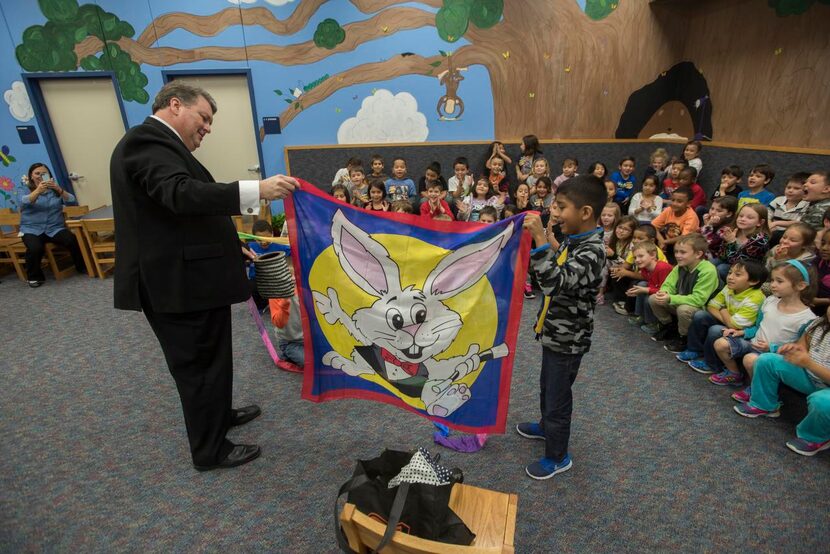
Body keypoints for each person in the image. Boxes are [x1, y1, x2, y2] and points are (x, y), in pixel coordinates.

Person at [109, 81, 297, 471]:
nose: (208, 128)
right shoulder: (146, 142)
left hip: (192, 278)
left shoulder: (161, 146)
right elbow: (182, 194)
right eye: (204, 118)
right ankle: (210, 450)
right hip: (176, 285)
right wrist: (257, 189)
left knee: (212, 356)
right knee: (197, 365)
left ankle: (218, 415)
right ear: (175, 105)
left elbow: (181, 215)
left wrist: (233, 246)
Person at [516, 174, 607, 479]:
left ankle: (558, 456)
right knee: (547, 387)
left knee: (558, 398)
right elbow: (564, 268)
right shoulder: (577, 239)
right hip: (556, 334)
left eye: (562, 206)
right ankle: (545, 427)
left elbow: (554, 282)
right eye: (554, 205)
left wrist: (541, 240)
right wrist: (553, 244)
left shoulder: (593, 251)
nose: (554, 212)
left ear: (586, 213)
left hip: (569, 340)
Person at [734, 305, 830, 457]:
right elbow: (802, 343)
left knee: (823, 402)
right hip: (809, 375)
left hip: (824, 386)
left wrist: (809, 363)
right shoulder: (819, 324)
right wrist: (795, 348)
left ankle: (816, 438)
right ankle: (764, 404)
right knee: (767, 360)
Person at [716, 261, 817, 402]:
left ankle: (755, 389)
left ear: (800, 285)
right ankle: (735, 374)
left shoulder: (807, 318)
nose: (773, 285)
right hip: (753, 343)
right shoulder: (770, 301)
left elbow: (798, 348)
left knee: (750, 359)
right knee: (721, 344)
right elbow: (758, 326)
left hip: (774, 355)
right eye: (772, 280)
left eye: (779, 281)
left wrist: (772, 348)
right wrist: (743, 333)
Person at [675, 261, 767, 375]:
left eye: (737, 275)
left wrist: (723, 309)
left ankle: (712, 364)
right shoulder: (730, 288)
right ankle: (694, 349)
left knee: (716, 329)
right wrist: (725, 317)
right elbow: (711, 306)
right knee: (701, 315)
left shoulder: (755, 298)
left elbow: (735, 325)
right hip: (730, 322)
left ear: (753, 281)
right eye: (730, 273)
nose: (730, 277)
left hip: (744, 332)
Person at [18, 162, 85, 287]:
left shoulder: (55, 189)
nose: (40, 176)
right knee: (35, 248)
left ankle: (82, 267)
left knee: (71, 239)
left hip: (54, 228)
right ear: (31, 176)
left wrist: (58, 189)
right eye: (37, 173)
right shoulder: (24, 189)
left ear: (48, 175)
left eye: (44, 173)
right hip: (31, 229)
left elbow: (71, 200)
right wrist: (38, 190)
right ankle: (34, 277)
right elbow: (23, 203)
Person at [647, 234, 719, 346]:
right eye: (676, 252)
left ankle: (684, 337)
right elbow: (668, 284)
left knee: (683, 309)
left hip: (703, 308)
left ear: (698, 254)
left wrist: (670, 298)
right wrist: (664, 293)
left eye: (683, 252)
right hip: (683, 300)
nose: (677, 255)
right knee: (654, 298)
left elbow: (699, 300)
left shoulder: (708, 271)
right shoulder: (680, 266)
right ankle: (670, 326)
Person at [625, 241, 673, 331]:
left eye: (641, 256)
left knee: (648, 297)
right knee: (641, 284)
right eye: (635, 257)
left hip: (668, 294)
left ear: (653, 255)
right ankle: (641, 316)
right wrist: (638, 291)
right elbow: (651, 284)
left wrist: (645, 290)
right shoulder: (645, 268)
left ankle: (653, 322)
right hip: (657, 289)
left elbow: (664, 290)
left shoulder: (662, 268)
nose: (637, 260)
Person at [718, 203, 770, 281]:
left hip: (749, 271)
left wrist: (731, 242)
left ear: (760, 222)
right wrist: (725, 242)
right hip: (732, 263)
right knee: (712, 262)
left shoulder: (760, 239)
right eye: (741, 216)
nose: (743, 219)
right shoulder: (734, 231)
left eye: (749, 218)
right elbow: (721, 256)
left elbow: (737, 263)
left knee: (721, 269)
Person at [269, 255, 304, 369]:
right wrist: (284, 304)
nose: (293, 278)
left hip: (309, 338)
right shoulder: (276, 293)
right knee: (311, 364)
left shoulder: (306, 289)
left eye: (296, 275)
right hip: (290, 341)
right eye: (289, 275)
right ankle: (288, 353)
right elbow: (279, 323)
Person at [247, 220, 287, 312]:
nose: (263, 242)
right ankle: (261, 306)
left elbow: (293, 249)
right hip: (257, 279)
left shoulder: (279, 246)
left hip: (275, 278)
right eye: (259, 239)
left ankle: (276, 304)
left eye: (266, 238)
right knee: (251, 287)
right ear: (253, 237)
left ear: (272, 234)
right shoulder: (250, 247)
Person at [651, 187, 700, 254]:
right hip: (666, 241)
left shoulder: (691, 216)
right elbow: (653, 226)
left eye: (679, 201)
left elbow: (684, 237)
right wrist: (661, 240)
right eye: (673, 200)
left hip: (683, 244)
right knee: (647, 232)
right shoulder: (669, 209)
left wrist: (664, 242)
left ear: (689, 203)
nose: (674, 203)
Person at [767, 172, 810, 244]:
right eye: (788, 187)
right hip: (772, 230)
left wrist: (777, 223)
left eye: (796, 188)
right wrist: (770, 225)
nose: (790, 190)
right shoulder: (778, 200)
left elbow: (799, 223)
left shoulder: (806, 205)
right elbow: (767, 214)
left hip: (790, 234)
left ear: (806, 191)